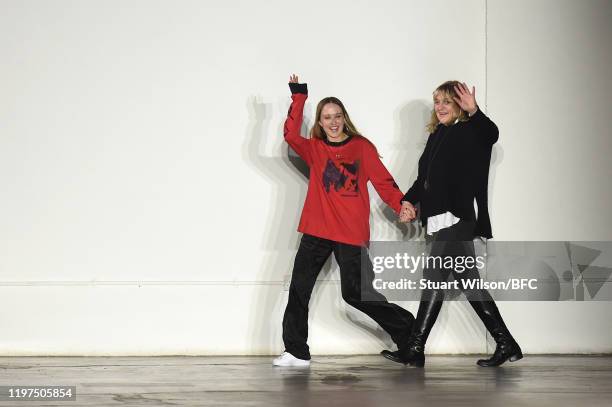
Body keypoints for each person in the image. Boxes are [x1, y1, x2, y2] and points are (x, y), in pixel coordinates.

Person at [273, 75, 415, 367]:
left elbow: (383, 181)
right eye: (327, 118)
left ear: (344, 118)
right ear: (321, 123)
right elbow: (289, 135)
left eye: (337, 116)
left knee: (357, 294)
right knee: (300, 288)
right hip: (316, 230)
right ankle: (296, 351)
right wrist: (299, 97)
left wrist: (401, 204)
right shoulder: (314, 148)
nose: (333, 122)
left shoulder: (361, 147)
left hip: (350, 232)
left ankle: (408, 329)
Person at [382, 81, 523, 367]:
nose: (441, 107)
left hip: (457, 217)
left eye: (448, 101)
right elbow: (424, 179)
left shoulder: (471, 130)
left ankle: (415, 348)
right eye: (437, 102)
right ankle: (506, 343)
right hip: (440, 217)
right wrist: (408, 201)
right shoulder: (438, 134)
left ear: (460, 104)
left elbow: (491, 135)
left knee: (436, 278)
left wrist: (476, 111)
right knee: (467, 283)